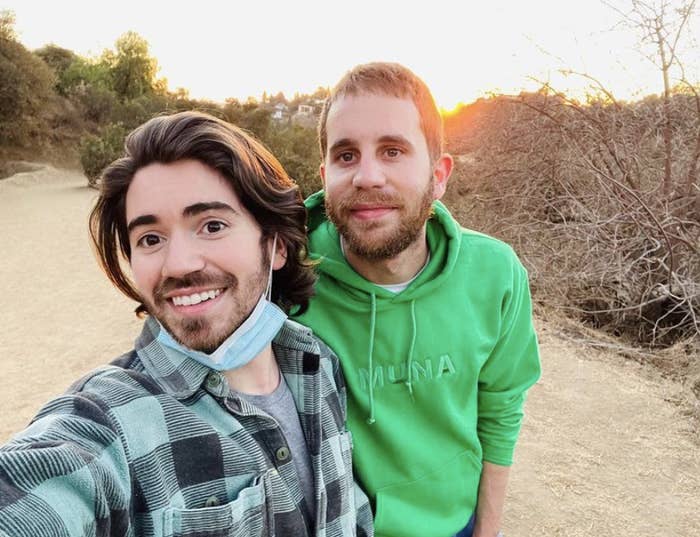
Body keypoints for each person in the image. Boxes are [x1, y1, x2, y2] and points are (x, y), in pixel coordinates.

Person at [0, 111, 373, 537]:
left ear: (276, 246)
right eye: (150, 239)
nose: (177, 264)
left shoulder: (318, 365)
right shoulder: (112, 419)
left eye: (211, 226)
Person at [294, 63, 541, 537]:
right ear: (325, 174)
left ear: (439, 173)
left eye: (392, 150)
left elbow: (501, 410)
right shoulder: (284, 276)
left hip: (455, 525)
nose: (367, 176)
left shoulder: (496, 275)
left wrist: (487, 531)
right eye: (346, 155)